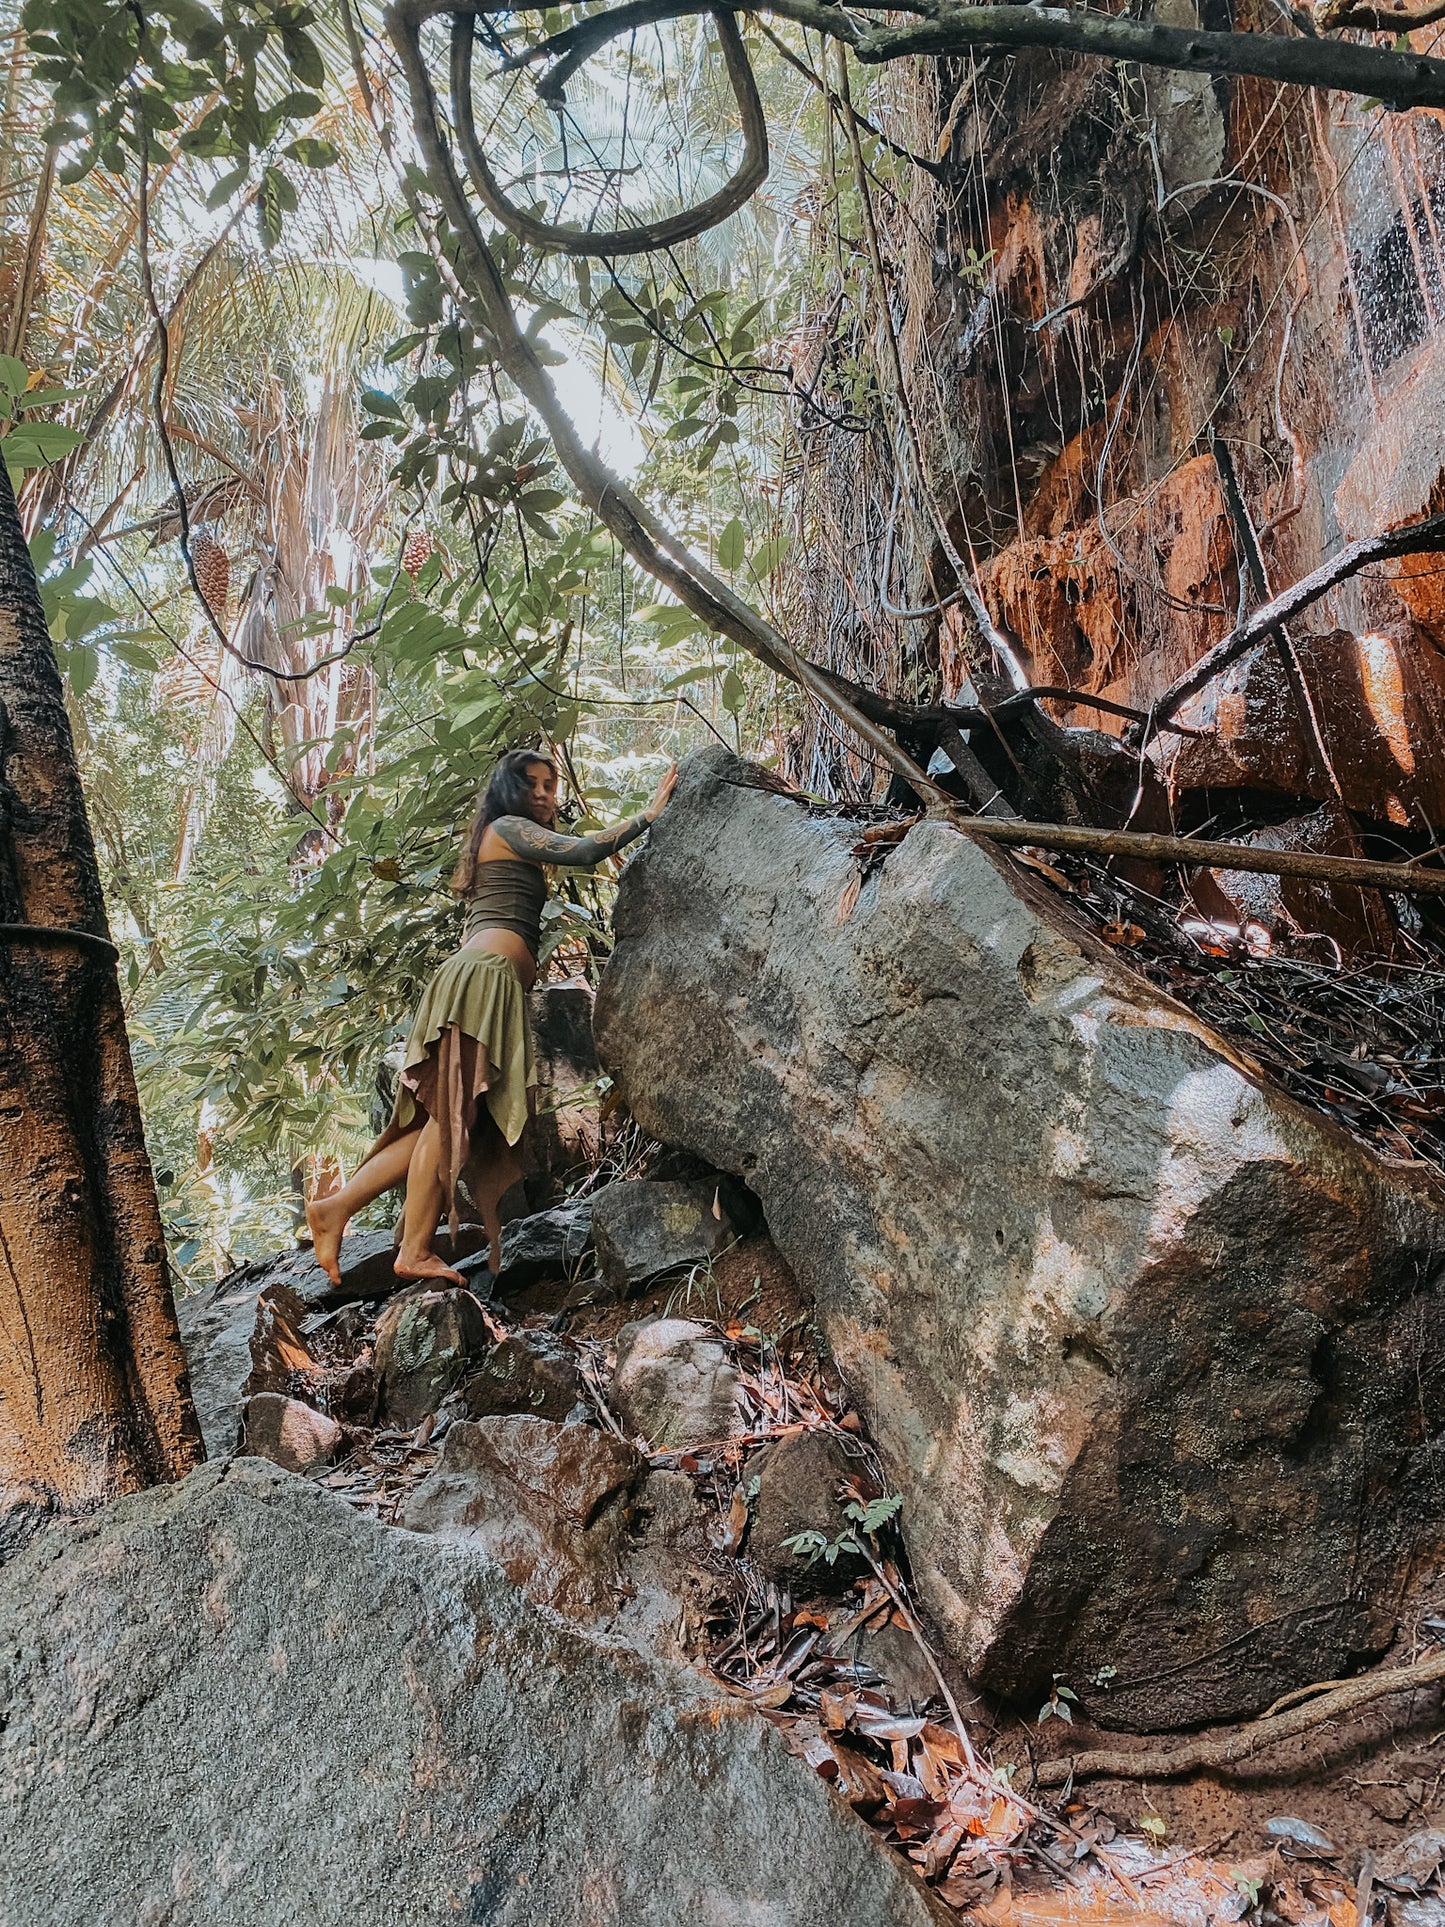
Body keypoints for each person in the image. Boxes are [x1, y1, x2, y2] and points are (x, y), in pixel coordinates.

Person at [305, 747, 677, 1286]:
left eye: (552, 784)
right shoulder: (508, 826)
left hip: (485, 981)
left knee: (453, 1119)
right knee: (449, 1116)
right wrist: (647, 816)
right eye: (535, 785)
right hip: (484, 979)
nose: (548, 794)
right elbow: (583, 851)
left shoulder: (498, 838)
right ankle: (412, 1248)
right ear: (510, 792)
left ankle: (335, 1209)